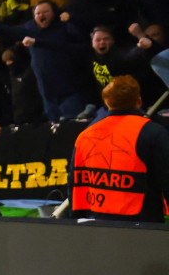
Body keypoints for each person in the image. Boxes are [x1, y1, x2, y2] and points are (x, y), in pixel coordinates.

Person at [71, 76, 169, 223]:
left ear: (107, 102)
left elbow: (74, 182)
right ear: (139, 101)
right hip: (145, 224)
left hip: (97, 223)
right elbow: (166, 177)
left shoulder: (85, 135)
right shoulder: (153, 132)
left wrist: (76, 220)